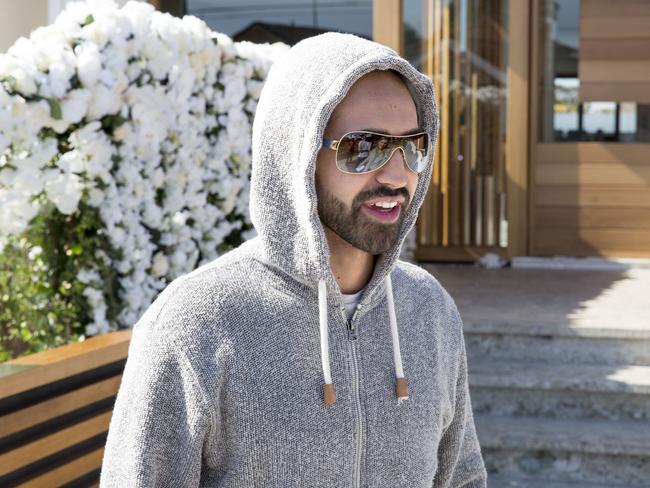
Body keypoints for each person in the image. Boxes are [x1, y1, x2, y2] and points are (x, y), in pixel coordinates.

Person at [99, 31, 487, 487]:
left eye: (412, 147)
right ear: (296, 153)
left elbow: (461, 478)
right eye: (363, 148)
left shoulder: (428, 309)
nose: (398, 174)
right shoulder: (198, 323)